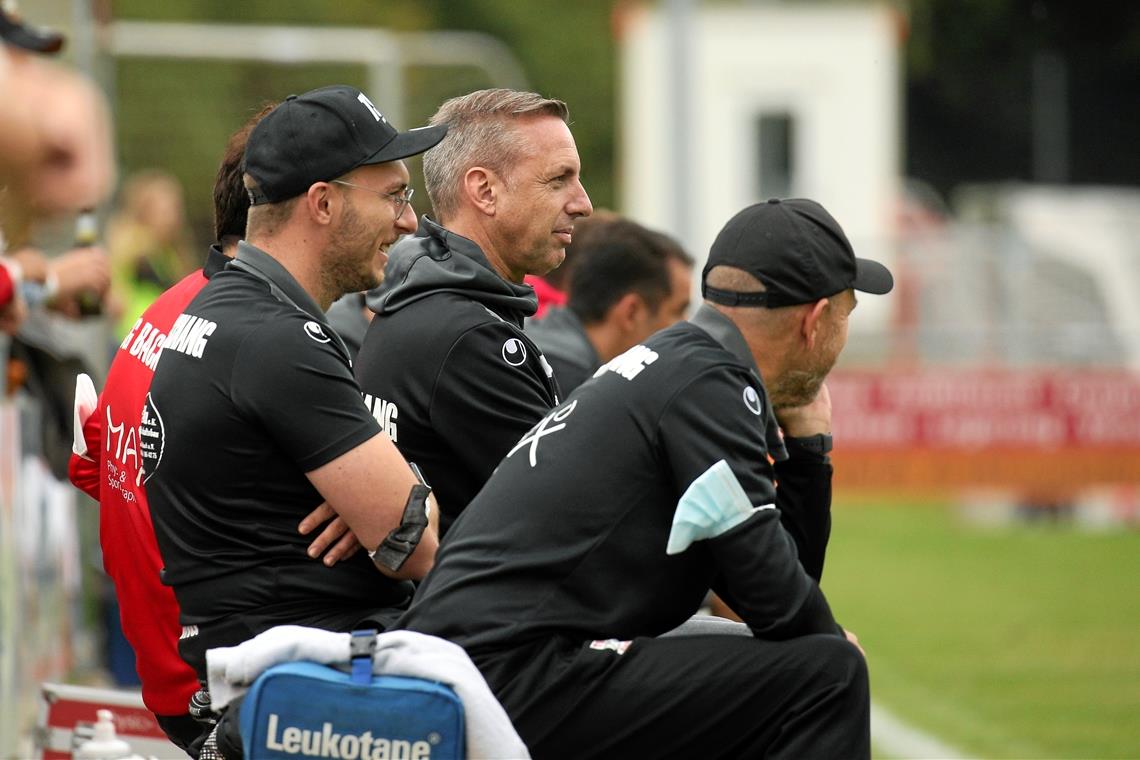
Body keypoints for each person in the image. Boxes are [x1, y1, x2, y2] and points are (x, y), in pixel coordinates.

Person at [398, 198, 894, 759]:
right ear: (814, 319)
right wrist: (829, 638)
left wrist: (807, 452)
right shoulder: (708, 387)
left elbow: (775, 594)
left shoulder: (686, 364)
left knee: (799, 661)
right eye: (846, 314)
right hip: (500, 677)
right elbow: (778, 599)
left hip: (481, 663)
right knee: (831, 674)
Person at [142, 85, 446, 682]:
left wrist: (378, 494)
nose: (409, 221)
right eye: (394, 195)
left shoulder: (228, 306)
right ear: (324, 203)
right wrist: (398, 488)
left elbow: (389, 525)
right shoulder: (275, 339)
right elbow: (415, 546)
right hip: (307, 674)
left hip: (261, 658)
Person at [67, 105, 309, 754]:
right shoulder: (244, 341)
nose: (402, 224)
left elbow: (96, 468)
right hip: (214, 685)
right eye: (389, 197)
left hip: (173, 674)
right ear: (309, 209)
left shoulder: (175, 306)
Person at [354, 88, 592, 536]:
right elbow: (574, 516)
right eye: (559, 180)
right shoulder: (470, 341)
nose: (582, 203)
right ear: (485, 191)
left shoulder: (418, 301)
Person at [528, 215, 693, 393]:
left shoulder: (539, 351)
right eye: (678, 311)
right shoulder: (571, 384)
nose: (686, 326)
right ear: (631, 312)